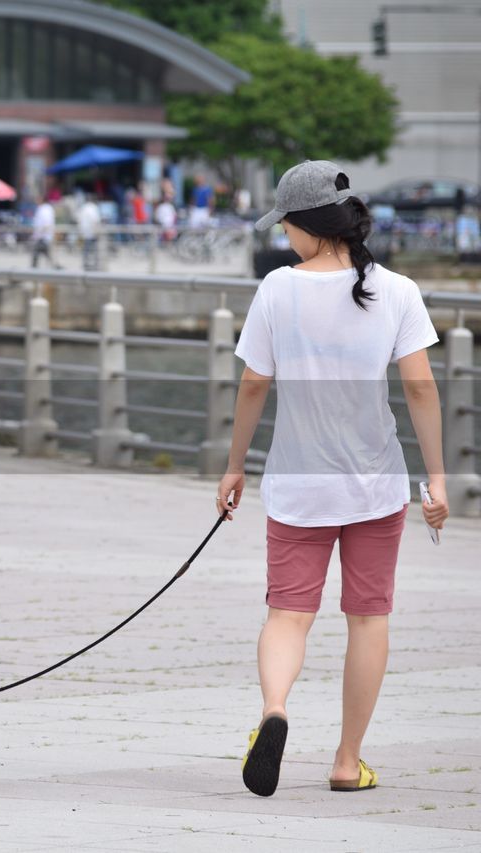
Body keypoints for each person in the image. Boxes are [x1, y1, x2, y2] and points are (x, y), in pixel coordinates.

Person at [220, 160, 448, 798]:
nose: (283, 238)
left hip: (297, 485)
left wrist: (235, 464)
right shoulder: (397, 290)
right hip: (375, 485)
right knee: (368, 620)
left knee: (288, 615)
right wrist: (436, 479)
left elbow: (253, 385)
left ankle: (274, 712)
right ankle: (348, 762)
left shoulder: (276, 289)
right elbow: (421, 389)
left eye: (286, 226)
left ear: (307, 225)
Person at [30, 196, 58, 269]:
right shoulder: (45, 208)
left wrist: (39, 234)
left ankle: (33, 273)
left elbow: (46, 224)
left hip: (43, 238)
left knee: (37, 258)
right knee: (48, 258)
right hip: (43, 237)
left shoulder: (45, 209)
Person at [76, 192, 102, 270]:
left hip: (83, 233)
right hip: (91, 233)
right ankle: (95, 265)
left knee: (85, 250)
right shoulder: (93, 207)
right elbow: (96, 221)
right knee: (95, 250)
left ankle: (86, 265)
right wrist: (97, 232)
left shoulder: (82, 208)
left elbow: (78, 220)